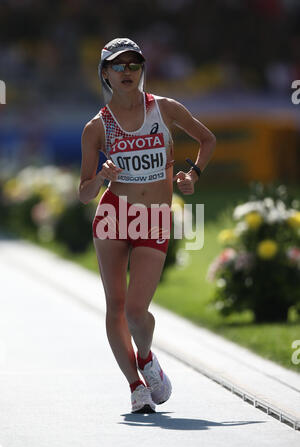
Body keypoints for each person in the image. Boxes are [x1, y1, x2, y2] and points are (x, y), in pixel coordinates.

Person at [79, 38, 216, 413]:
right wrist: (101, 177)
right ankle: (136, 387)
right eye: (118, 66)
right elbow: (83, 193)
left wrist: (193, 175)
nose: (127, 72)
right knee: (115, 306)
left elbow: (207, 139)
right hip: (112, 217)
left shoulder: (165, 109)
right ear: (105, 73)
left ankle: (145, 357)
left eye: (133, 64)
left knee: (137, 311)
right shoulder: (96, 127)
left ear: (143, 69)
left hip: (153, 219)